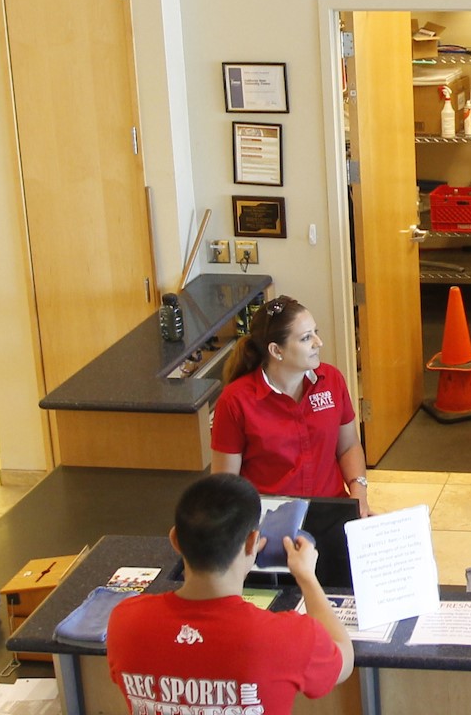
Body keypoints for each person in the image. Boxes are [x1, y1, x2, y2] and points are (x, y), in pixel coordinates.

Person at [107, 473, 354, 713]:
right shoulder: (288, 636)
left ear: (175, 539)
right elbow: (343, 658)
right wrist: (307, 578)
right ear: (252, 542)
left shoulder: (124, 621)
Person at [212, 296, 371, 515]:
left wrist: (359, 493)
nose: (318, 343)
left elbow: (348, 446)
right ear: (277, 351)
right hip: (269, 518)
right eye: (306, 338)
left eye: (316, 332)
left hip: (330, 510)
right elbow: (225, 484)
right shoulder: (235, 400)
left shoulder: (332, 380)